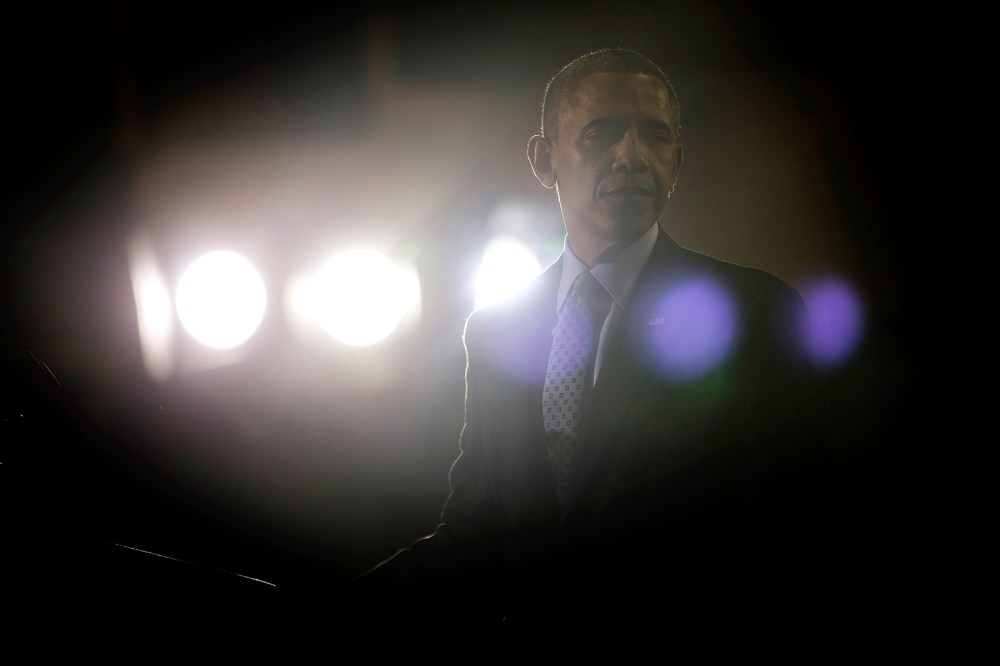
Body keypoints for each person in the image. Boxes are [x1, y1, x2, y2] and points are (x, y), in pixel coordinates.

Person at [349, 47, 835, 637]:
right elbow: (475, 542)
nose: (631, 156)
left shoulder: (754, 312)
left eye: (655, 136)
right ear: (543, 159)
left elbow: (793, 535)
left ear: (677, 159)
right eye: (602, 134)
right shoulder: (497, 330)